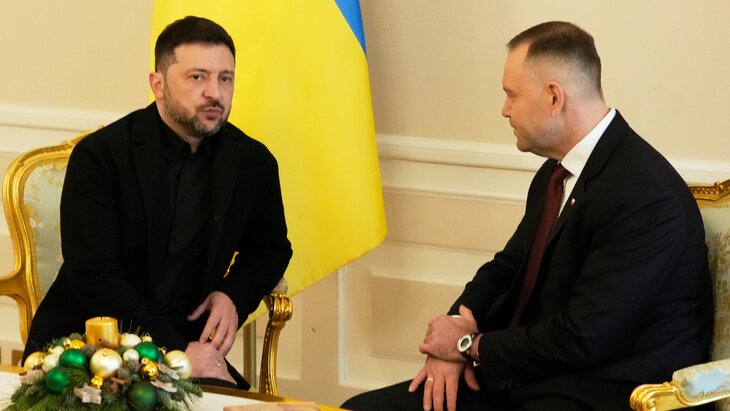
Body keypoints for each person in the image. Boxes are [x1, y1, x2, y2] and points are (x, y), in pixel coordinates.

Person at [342, 21, 712, 411]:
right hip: (534, 374)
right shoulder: (557, 173)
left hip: (607, 392)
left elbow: (586, 336)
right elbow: (506, 269)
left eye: (511, 95)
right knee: (362, 408)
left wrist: (468, 346)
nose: (504, 110)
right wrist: (450, 339)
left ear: (553, 97)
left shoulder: (643, 193)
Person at [23, 16, 293, 389]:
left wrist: (233, 294)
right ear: (158, 84)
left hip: (192, 346)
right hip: (88, 347)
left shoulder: (253, 162)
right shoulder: (101, 156)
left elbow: (272, 248)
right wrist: (175, 350)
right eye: (197, 77)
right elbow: (93, 276)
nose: (214, 93)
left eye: (225, 78)